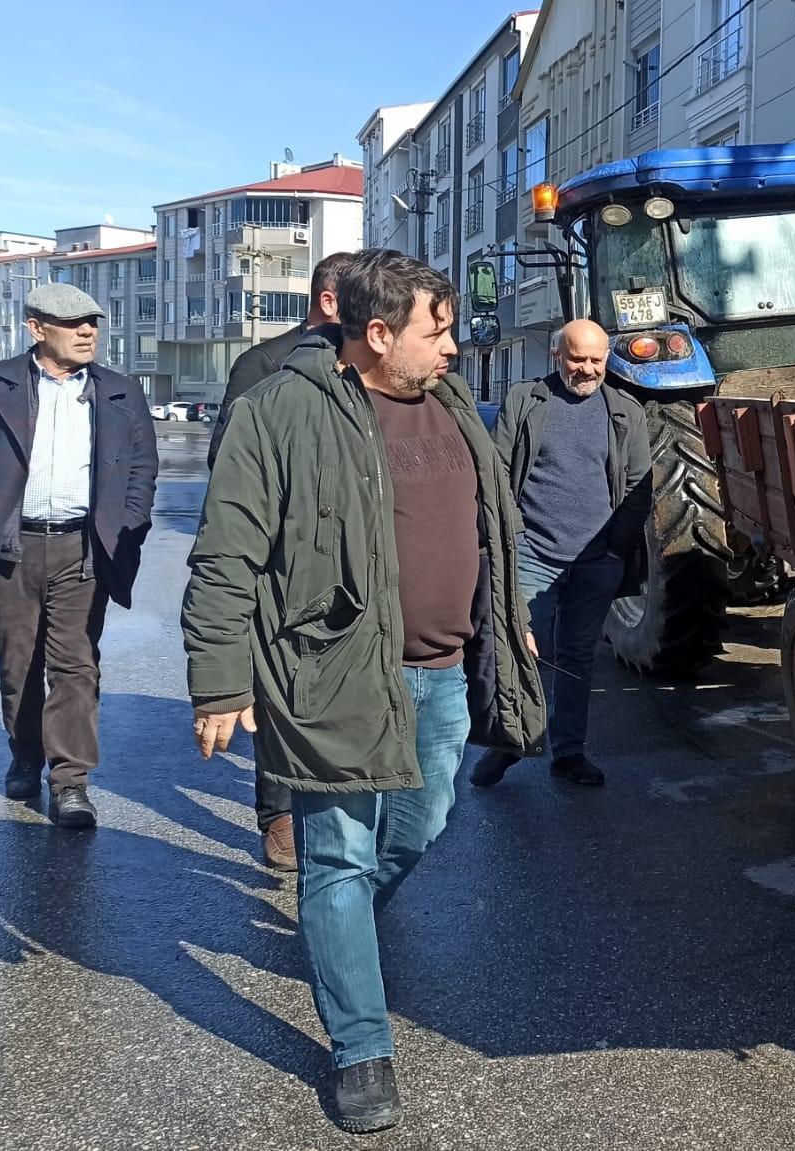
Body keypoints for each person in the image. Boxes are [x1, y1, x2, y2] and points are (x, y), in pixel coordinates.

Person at [182, 248, 542, 1134]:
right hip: (330, 672)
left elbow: (491, 522)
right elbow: (225, 556)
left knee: (423, 825)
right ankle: (360, 1045)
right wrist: (220, 680)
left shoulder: (455, 407)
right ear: (377, 334)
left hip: (445, 672)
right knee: (337, 857)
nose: (453, 348)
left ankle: (335, 931)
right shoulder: (279, 412)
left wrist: (510, 615)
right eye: (437, 329)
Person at [0, 282, 158, 828]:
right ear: (37, 328)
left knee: (76, 666)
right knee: (19, 664)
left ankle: (70, 781)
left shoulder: (121, 391)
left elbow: (141, 471)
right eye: (73, 322)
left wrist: (125, 528)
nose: (88, 331)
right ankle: (25, 754)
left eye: (93, 322)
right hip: (12, 546)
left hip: (84, 548)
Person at [203, 248, 356, 871]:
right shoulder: (261, 365)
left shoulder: (364, 368)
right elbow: (229, 471)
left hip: (349, 561)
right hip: (281, 565)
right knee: (277, 695)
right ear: (329, 301)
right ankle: (279, 815)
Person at [471, 318, 650, 790]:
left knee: (576, 657)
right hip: (533, 554)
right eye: (578, 358)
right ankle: (510, 742)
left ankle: (569, 752)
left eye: (596, 359)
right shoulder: (526, 403)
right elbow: (498, 474)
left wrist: (614, 551)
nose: (587, 369)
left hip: (595, 562)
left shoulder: (626, 412)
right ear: (557, 355)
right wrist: (511, 541)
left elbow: (637, 488)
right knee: (521, 652)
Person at [206, 249, 356, 469]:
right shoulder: (263, 362)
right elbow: (224, 456)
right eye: (363, 303)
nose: (373, 314)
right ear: (328, 302)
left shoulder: (360, 361)